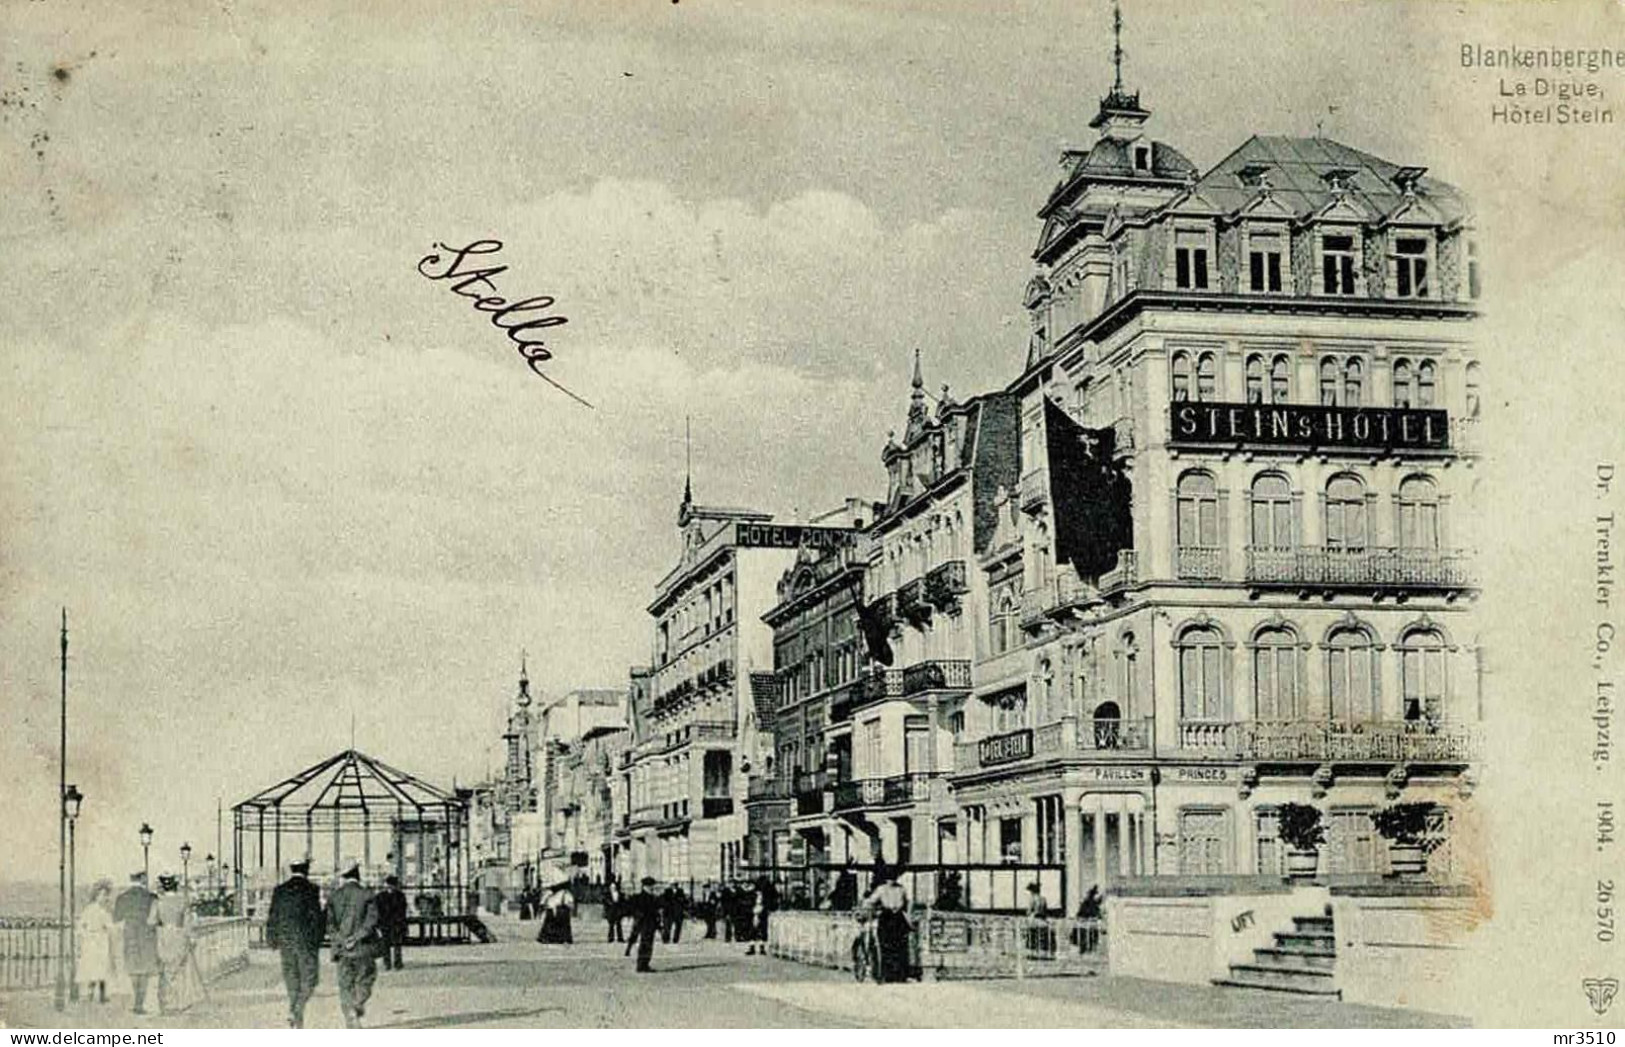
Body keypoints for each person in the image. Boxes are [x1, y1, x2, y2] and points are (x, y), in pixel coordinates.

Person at [266, 859, 325, 1028]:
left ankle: (294, 1013)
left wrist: (272, 939)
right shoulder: (312, 889)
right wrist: (318, 939)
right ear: (306, 870)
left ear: (292, 869)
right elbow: (316, 918)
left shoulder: (280, 890)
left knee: (291, 979)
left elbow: (273, 916)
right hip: (306, 943)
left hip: (286, 942)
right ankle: (297, 1010)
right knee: (311, 979)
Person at [325, 862, 381, 1029]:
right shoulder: (367, 895)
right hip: (363, 948)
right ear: (358, 875)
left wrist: (342, 940)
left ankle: (350, 1015)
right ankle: (358, 1003)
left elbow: (329, 925)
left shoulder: (334, 896)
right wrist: (356, 938)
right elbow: (372, 921)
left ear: (344, 877)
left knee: (345, 984)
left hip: (342, 950)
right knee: (367, 977)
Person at [151, 875, 200, 1015]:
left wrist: (163, 923)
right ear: (176, 886)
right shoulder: (183, 901)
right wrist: (191, 938)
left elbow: (151, 921)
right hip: (179, 936)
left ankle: (167, 1004)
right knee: (180, 969)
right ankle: (179, 1003)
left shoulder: (157, 903)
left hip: (164, 937)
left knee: (166, 970)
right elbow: (188, 923)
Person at [112, 872, 159, 1016]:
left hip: (130, 935)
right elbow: (156, 918)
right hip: (146, 935)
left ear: (130, 879)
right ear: (143, 879)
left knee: (133, 967)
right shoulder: (151, 897)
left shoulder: (122, 897)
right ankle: (139, 1003)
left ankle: (136, 1002)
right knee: (144, 969)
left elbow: (116, 918)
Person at [862, 867, 911, 984]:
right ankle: (887, 974)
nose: (891, 881)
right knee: (886, 946)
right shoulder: (881, 889)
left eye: (893, 878)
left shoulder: (901, 889)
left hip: (898, 917)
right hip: (887, 917)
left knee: (900, 947)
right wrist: (868, 906)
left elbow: (908, 902)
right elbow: (870, 901)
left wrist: (907, 913)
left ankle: (900, 975)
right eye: (889, 878)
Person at [77, 881, 117, 1005]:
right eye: (102, 895)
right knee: (91, 967)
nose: (105, 898)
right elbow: (80, 925)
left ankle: (102, 994)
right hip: (92, 941)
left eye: (106, 895)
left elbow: (110, 927)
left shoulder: (105, 911)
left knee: (102, 968)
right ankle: (90, 993)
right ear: (96, 895)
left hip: (101, 940)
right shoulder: (90, 910)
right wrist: (86, 935)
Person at [623, 877, 661, 973]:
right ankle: (641, 965)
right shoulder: (640, 897)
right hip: (643, 923)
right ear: (645, 887)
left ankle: (645, 964)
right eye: (650, 886)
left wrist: (658, 924)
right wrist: (638, 916)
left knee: (649, 944)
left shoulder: (652, 898)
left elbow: (655, 912)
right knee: (644, 944)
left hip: (650, 924)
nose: (652, 888)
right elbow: (633, 908)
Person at [375, 875, 408, 971]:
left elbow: (378, 911)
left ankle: (389, 963)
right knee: (395, 944)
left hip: (386, 923)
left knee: (388, 944)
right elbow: (402, 911)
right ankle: (395, 963)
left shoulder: (380, 896)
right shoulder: (400, 896)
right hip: (394, 923)